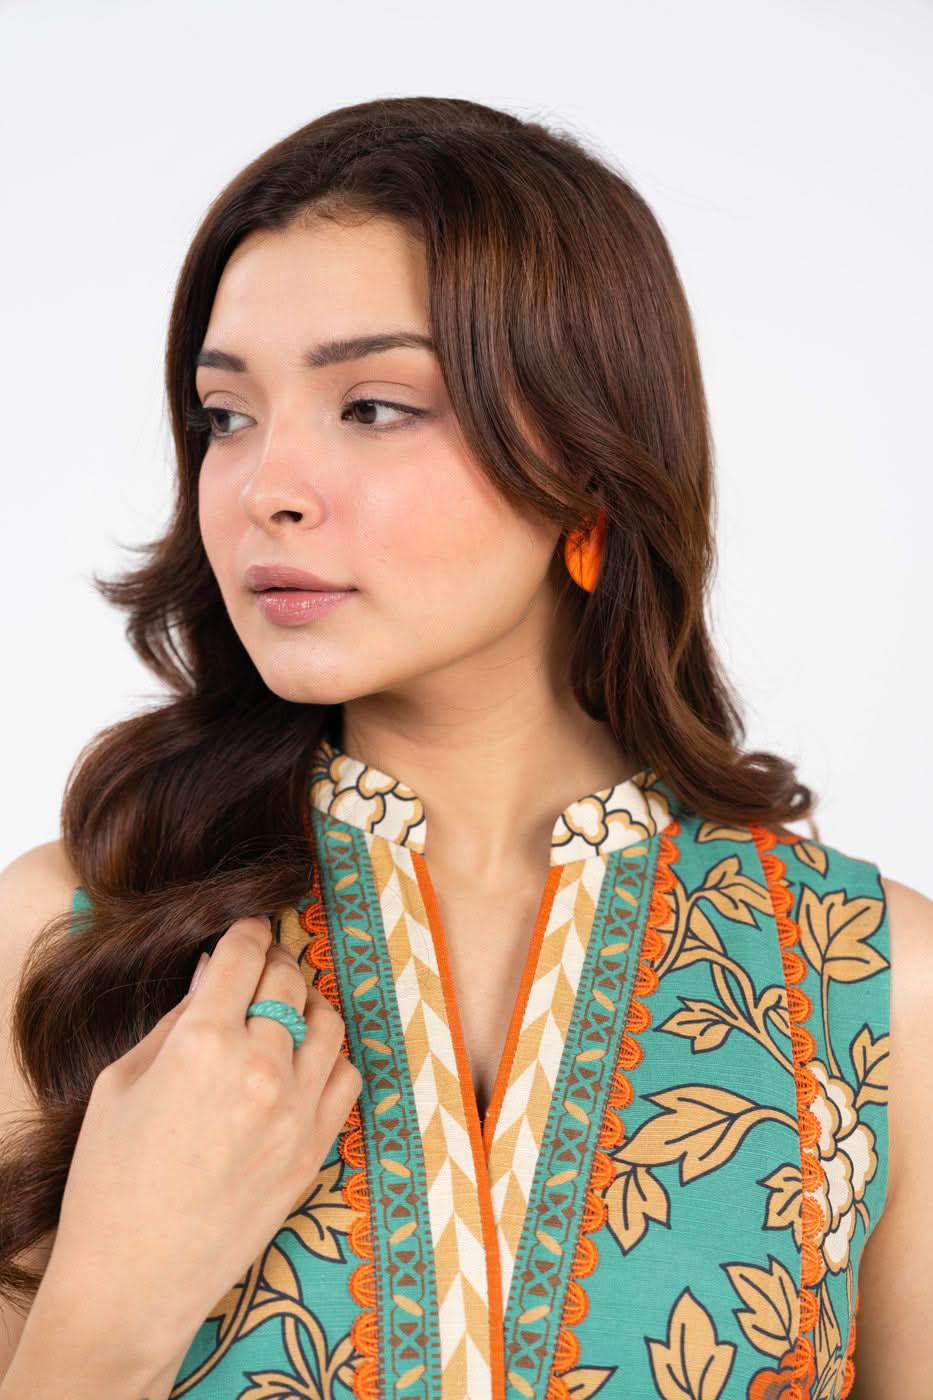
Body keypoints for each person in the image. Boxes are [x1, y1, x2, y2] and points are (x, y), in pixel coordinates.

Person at [0, 95, 928, 1400]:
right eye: (226, 415)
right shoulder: (70, 939)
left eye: (374, 407)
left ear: (586, 464)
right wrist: (112, 1306)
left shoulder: (869, 981)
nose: (267, 487)